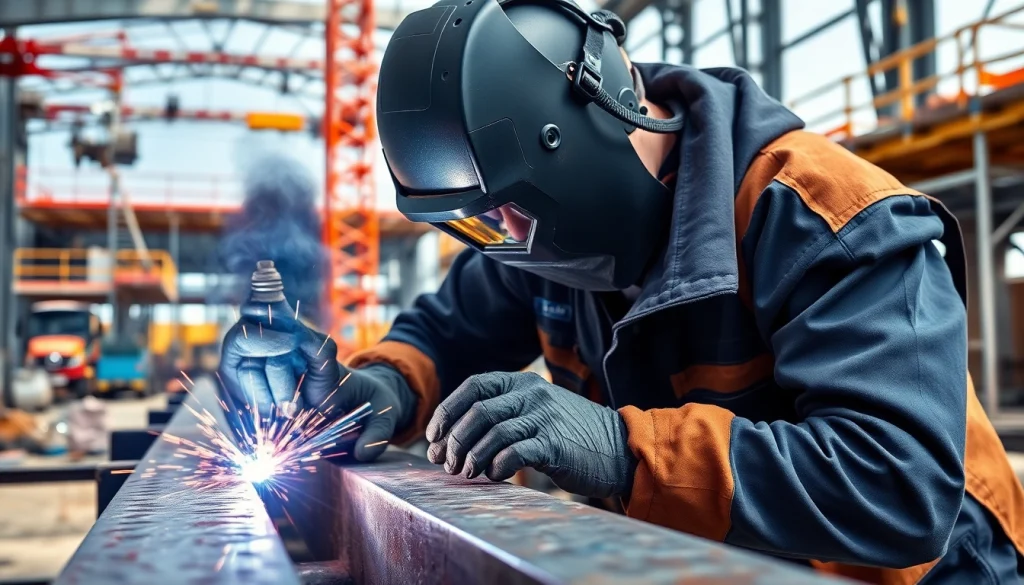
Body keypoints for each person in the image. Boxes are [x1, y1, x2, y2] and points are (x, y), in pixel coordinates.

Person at [220, 0, 1024, 582]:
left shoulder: (823, 215)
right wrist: (374, 390)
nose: (506, 237)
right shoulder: (533, 232)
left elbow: (899, 486)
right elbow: (445, 331)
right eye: (480, 222)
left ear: (591, 125)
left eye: (509, 210)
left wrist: (621, 449)